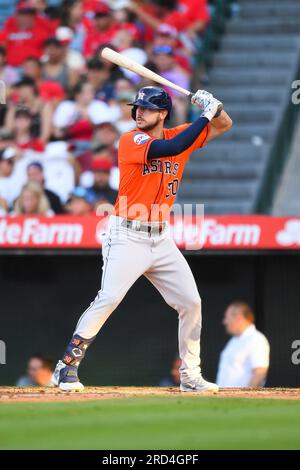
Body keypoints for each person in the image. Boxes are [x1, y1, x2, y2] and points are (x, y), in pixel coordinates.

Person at [52, 85, 232, 392]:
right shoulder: (131, 139)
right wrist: (204, 114)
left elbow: (224, 124)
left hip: (161, 238)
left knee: (191, 302)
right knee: (108, 298)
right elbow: (171, 150)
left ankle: (190, 375)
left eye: (146, 108)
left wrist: (214, 105)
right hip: (126, 235)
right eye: (137, 107)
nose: (139, 112)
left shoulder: (179, 135)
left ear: (162, 114)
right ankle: (65, 366)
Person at [216, 302, 270, 388]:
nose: (224, 322)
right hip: (224, 399)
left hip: (241, 400)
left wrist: (248, 397)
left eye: (227, 317)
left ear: (238, 318)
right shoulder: (234, 340)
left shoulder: (256, 339)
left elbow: (260, 372)